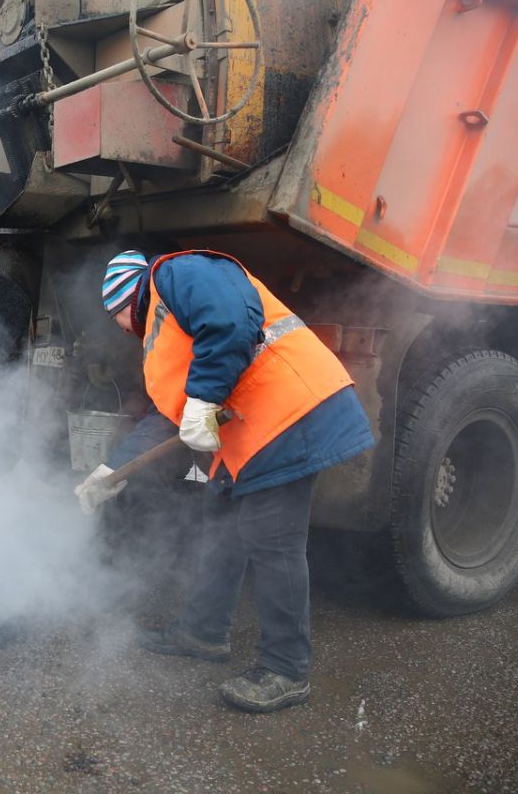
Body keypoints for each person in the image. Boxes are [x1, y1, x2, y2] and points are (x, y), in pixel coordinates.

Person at [75, 249, 375, 712]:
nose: (119, 329)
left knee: (273, 541)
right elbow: (166, 419)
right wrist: (110, 471)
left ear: (123, 300)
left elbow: (231, 321)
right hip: (252, 433)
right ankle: (203, 632)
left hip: (289, 411)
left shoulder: (175, 274)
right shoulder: (161, 337)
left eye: (112, 316)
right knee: (219, 522)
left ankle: (286, 670)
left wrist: (202, 398)